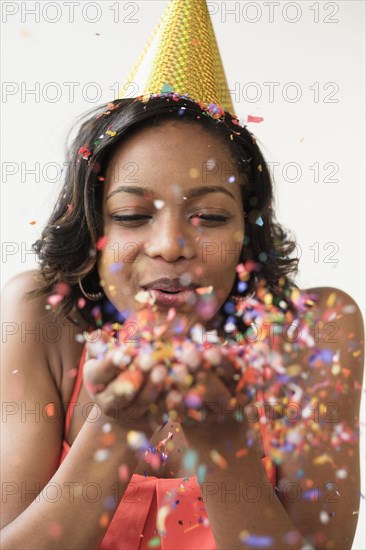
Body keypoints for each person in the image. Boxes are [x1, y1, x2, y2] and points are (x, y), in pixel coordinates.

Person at [1, 92, 364, 550]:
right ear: (94, 227)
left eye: (209, 216)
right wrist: (117, 427)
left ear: (246, 230)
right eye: (132, 216)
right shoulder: (41, 313)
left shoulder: (314, 329)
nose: (170, 245)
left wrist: (221, 437)